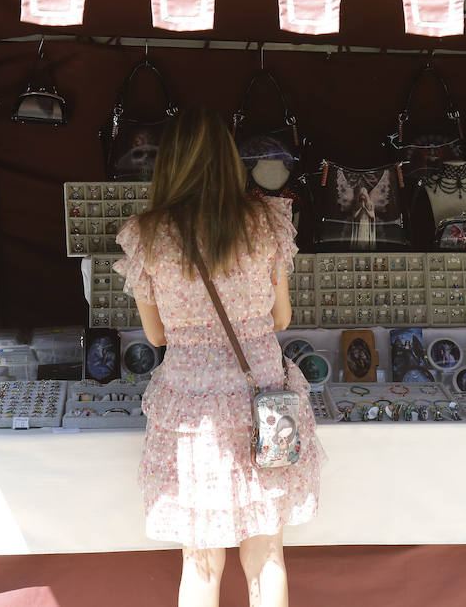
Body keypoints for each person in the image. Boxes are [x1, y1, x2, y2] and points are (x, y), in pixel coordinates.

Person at [114, 105, 322, 607]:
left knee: (201, 562)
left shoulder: (148, 236)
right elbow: (281, 318)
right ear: (229, 159)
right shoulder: (266, 224)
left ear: (170, 164)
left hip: (191, 411)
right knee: (266, 554)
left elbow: (156, 335)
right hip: (262, 402)